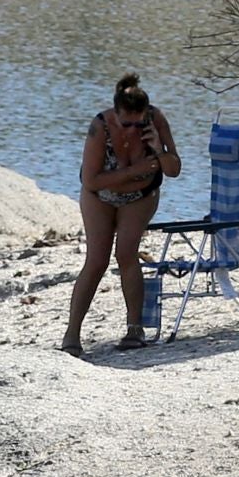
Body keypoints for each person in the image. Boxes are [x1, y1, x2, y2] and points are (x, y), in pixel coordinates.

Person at [61, 74, 183, 357]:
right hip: (99, 198)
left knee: (126, 253)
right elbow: (92, 180)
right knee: (96, 260)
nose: (131, 130)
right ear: (115, 115)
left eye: (137, 123)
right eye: (126, 123)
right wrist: (135, 171)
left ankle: (135, 328)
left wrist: (157, 151)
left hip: (140, 197)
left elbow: (174, 169)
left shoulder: (156, 120)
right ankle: (72, 333)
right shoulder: (100, 126)